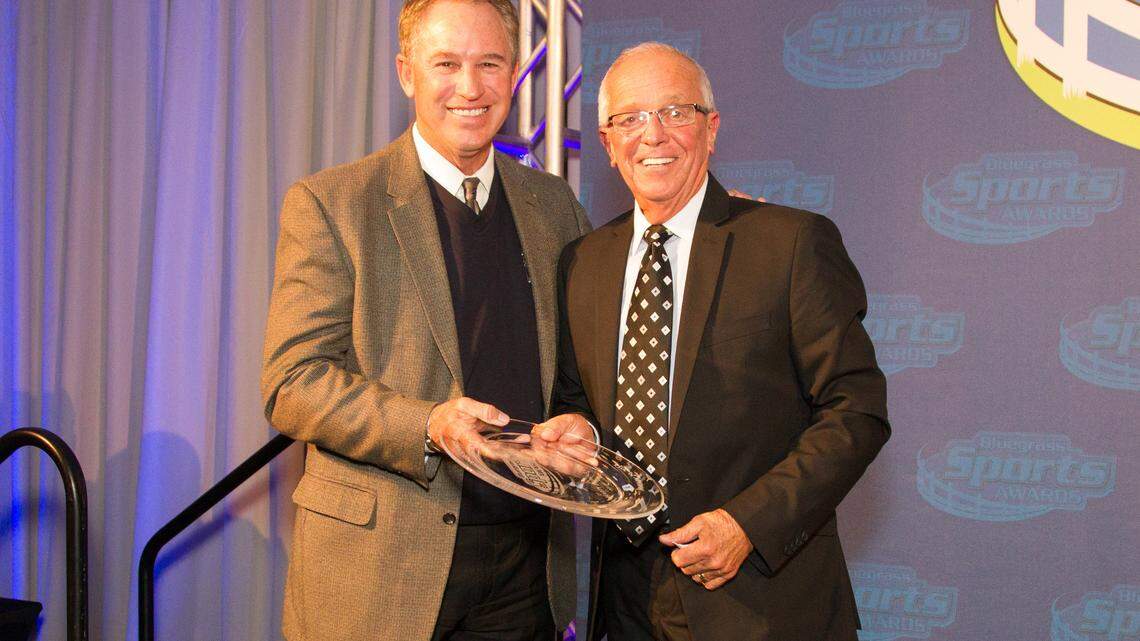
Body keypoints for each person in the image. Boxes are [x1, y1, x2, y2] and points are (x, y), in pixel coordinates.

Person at [259, 1, 592, 639]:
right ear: (406, 73)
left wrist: (579, 419)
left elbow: (579, 365)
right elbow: (291, 382)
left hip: (527, 570)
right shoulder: (332, 204)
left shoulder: (554, 207)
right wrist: (430, 425)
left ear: (517, 72)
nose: (470, 87)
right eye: (447, 64)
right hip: (380, 573)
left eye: (489, 64)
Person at [537, 42, 891, 640]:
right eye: (630, 118)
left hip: (763, 603)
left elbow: (856, 412)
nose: (653, 135)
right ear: (607, 142)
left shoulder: (790, 244)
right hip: (623, 604)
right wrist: (579, 433)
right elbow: (579, 403)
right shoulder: (583, 262)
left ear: (711, 128)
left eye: (676, 112)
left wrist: (745, 524)